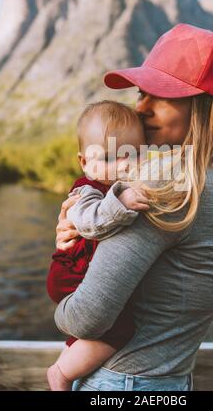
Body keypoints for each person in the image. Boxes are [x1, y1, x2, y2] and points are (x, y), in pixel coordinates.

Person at [53, 23, 213, 392]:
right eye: (141, 93)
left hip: (120, 384)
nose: (141, 108)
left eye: (161, 94)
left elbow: (85, 320)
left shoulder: (168, 188)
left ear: (204, 108)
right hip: (170, 380)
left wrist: (62, 274)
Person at [46, 100, 151, 390]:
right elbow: (89, 220)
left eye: (129, 155)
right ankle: (62, 374)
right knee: (119, 329)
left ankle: (70, 356)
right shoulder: (86, 189)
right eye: (106, 158)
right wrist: (121, 202)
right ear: (84, 162)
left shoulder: (129, 181)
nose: (120, 165)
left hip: (85, 273)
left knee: (101, 326)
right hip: (71, 272)